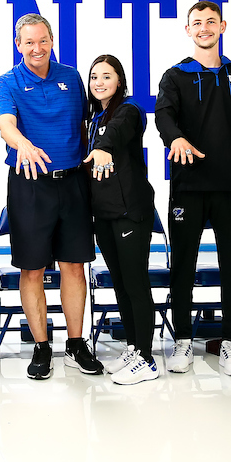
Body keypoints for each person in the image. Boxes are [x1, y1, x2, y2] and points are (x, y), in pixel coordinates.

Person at [0, 13, 103, 380]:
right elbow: (5, 123)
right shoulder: (7, 82)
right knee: (33, 268)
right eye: (29, 42)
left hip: (73, 183)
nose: (36, 48)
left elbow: (94, 121)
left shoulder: (72, 77)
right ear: (18, 44)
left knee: (74, 265)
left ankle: (76, 344)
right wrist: (22, 143)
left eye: (43, 40)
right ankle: (42, 347)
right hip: (30, 185)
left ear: (52, 40)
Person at [154, 0, 231, 376]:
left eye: (211, 22)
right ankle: (181, 340)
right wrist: (174, 139)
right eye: (197, 23)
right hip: (189, 186)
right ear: (187, 30)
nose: (204, 28)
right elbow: (164, 114)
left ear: (223, 26)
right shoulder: (175, 75)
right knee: (183, 265)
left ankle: (230, 342)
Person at [83, 55, 159, 385]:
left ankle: (146, 357)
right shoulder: (92, 117)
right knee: (121, 285)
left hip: (131, 212)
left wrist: (102, 147)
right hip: (105, 214)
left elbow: (116, 131)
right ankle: (133, 345)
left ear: (119, 80)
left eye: (107, 76)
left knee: (136, 284)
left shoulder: (128, 110)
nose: (99, 82)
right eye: (94, 77)